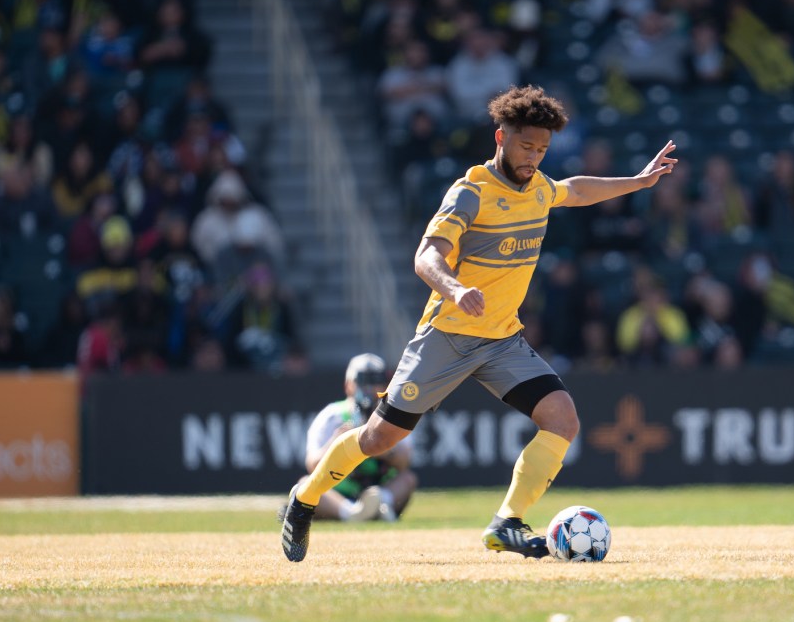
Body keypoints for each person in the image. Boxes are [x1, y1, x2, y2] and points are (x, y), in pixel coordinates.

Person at [280, 84, 677, 562]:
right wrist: (454, 289)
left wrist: (636, 181)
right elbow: (426, 256)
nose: (534, 157)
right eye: (527, 146)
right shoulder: (470, 192)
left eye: (542, 149)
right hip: (446, 336)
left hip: (501, 340)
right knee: (378, 438)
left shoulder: (538, 189)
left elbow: (574, 190)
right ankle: (304, 501)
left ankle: (505, 523)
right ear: (501, 137)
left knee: (562, 418)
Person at [282, 353, 418, 524]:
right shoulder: (332, 415)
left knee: (407, 480)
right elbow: (312, 465)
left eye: (375, 381)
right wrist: (337, 442)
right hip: (340, 489)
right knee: (305, 484)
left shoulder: (392, 416)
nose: (370, 388)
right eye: (363, 381)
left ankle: (378, 503)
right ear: (349, 386)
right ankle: (352, 512)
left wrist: (375, 443)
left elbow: (404, 462)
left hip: (378, 485)